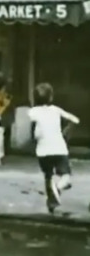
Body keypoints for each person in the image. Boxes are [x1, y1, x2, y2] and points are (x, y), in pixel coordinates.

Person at [28, 82, 80, 213]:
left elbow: (34, 131)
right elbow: (75, 120)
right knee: (66, 175)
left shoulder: (32, 112)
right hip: (58, 148)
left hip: (42, 151)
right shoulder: (56, 110)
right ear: (51, 97)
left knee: (48, 176)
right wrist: (67, 131)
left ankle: (51, 203)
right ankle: (57, 187)